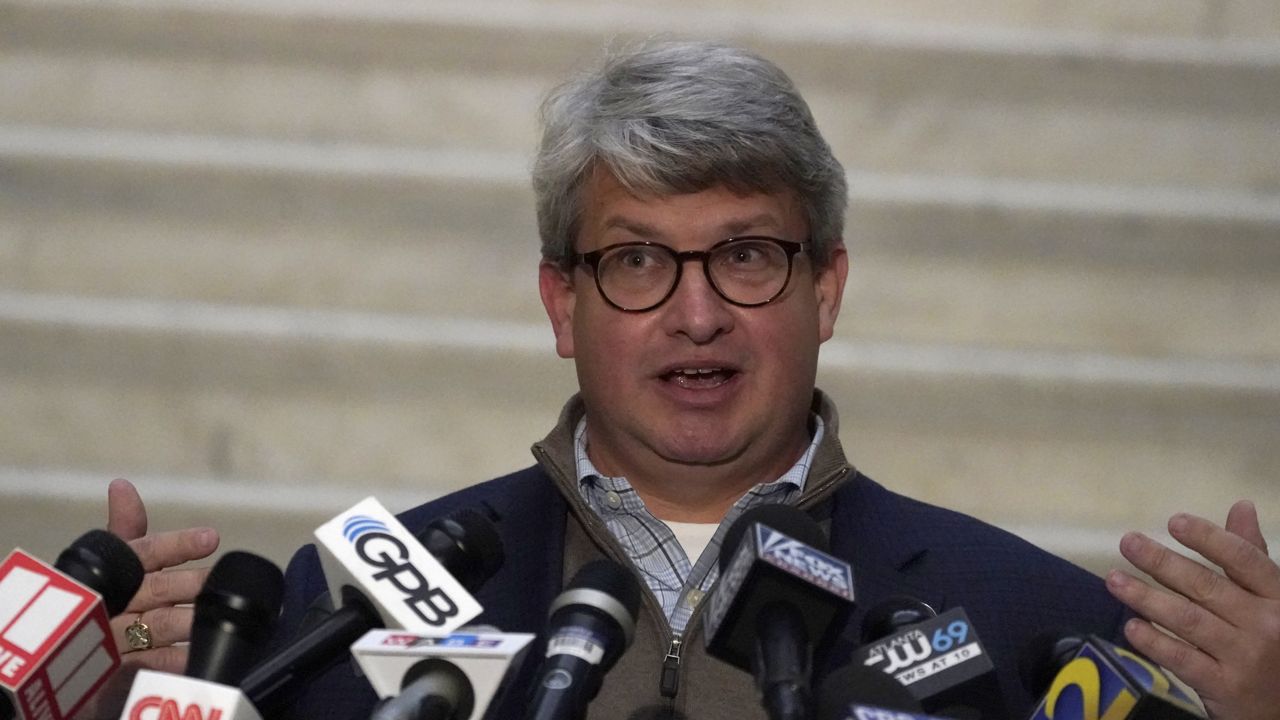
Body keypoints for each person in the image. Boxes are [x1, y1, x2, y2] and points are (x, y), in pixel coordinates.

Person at [95, 40, 1279, 720]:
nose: (697, 312)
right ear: (563, 303)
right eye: (637, 261)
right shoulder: (340, 612)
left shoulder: (1030, 628)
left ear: (827, 288)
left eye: (748, 255)